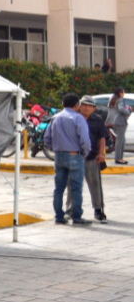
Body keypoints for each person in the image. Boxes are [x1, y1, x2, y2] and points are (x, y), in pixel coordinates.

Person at [46, 93, 92, 225]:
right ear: (77, 105)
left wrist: (55, 148)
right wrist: (84, 153)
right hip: (74, 155)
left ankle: (59, 216)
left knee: (59, 188)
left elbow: (47, 138)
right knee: (76, 187)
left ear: (62, 104)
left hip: (59, 156)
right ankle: (76, 216)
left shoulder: (55, 118)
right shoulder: (78, 118)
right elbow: (85, 140)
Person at [70, 96, 109, 224]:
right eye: (84, 104)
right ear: (79, 106)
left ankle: (98, 209)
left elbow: (102, 137)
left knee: (95, 184)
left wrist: (101, 153)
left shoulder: (98, 120)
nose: (86, 107)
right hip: (75, 157)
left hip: (92, 157)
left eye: (89, 105)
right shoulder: (73, 118)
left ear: (94, 108)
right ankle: (70, 209)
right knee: (72, 184)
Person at [107, 88, 130, 164]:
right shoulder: (120, 100)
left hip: (113, 122)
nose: (124, 93)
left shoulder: (112, 100)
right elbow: (121, 109)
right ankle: (118, 159)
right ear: (120, 93)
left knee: (121, 140)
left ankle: (120, 158)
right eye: (123, 92)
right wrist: (128, 112)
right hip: (120, 122)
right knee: (120, 141)